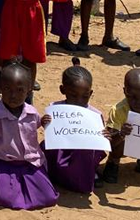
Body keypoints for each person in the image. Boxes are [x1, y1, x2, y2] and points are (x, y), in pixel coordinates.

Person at [0, 63, 58, 210]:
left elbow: (35, 127)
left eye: (20, 90)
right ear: (0, 88)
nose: (13, 95)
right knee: (3, 198)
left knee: (48, 196)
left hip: (30, 163)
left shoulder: (32, 112)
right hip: (4, 163)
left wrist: (44, 122)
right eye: (8, 89)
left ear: (29, 90)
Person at [42, 58, 107, 193]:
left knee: (88, 152)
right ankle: (54, 173)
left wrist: (104, 136)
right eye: (73, 95)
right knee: (45, 146)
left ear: (90, 94)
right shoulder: (55, 108)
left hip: (81, 152)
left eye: (84, 96)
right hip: (61, 148)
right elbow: (51, 132)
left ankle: (88, 174)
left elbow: (98, 139)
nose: (78, 101)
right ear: (62, 90)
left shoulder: (94, 114)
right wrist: (45, 122)